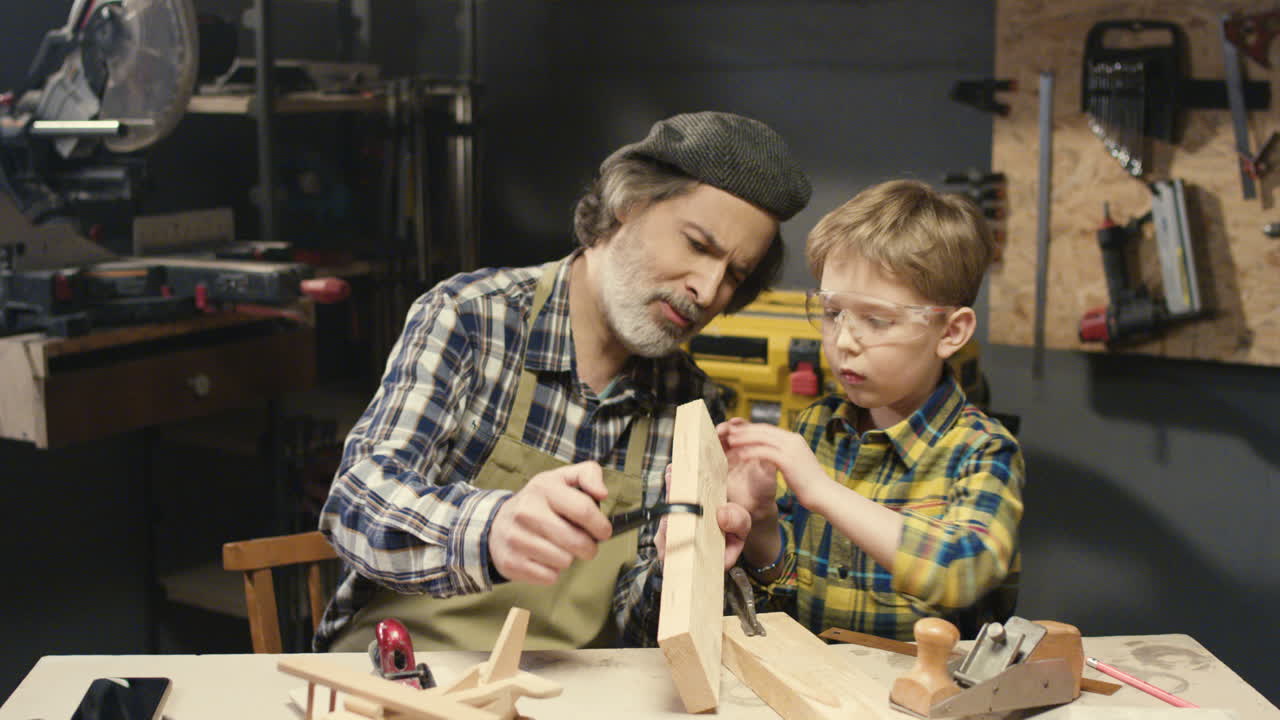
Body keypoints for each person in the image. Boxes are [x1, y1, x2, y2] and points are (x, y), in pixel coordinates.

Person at [314, 111, 812, 652]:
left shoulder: (691, 405)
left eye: (735, 274)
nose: (709, 289)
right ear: (628, 205)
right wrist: (491, 529)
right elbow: (355, 504)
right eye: (698, 245)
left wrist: (684, 567)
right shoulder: (473, 319)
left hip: (571, 695)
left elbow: (639, 634)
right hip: (407, 672)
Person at [720, 179, 1024, 640]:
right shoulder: (817, 428)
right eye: (832, 312)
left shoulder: (982, 451)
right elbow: (785, 602)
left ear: (951, 331)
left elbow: (964, 570)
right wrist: (762, 523)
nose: (843, 341)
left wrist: (822, 492)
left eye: (877, 320)